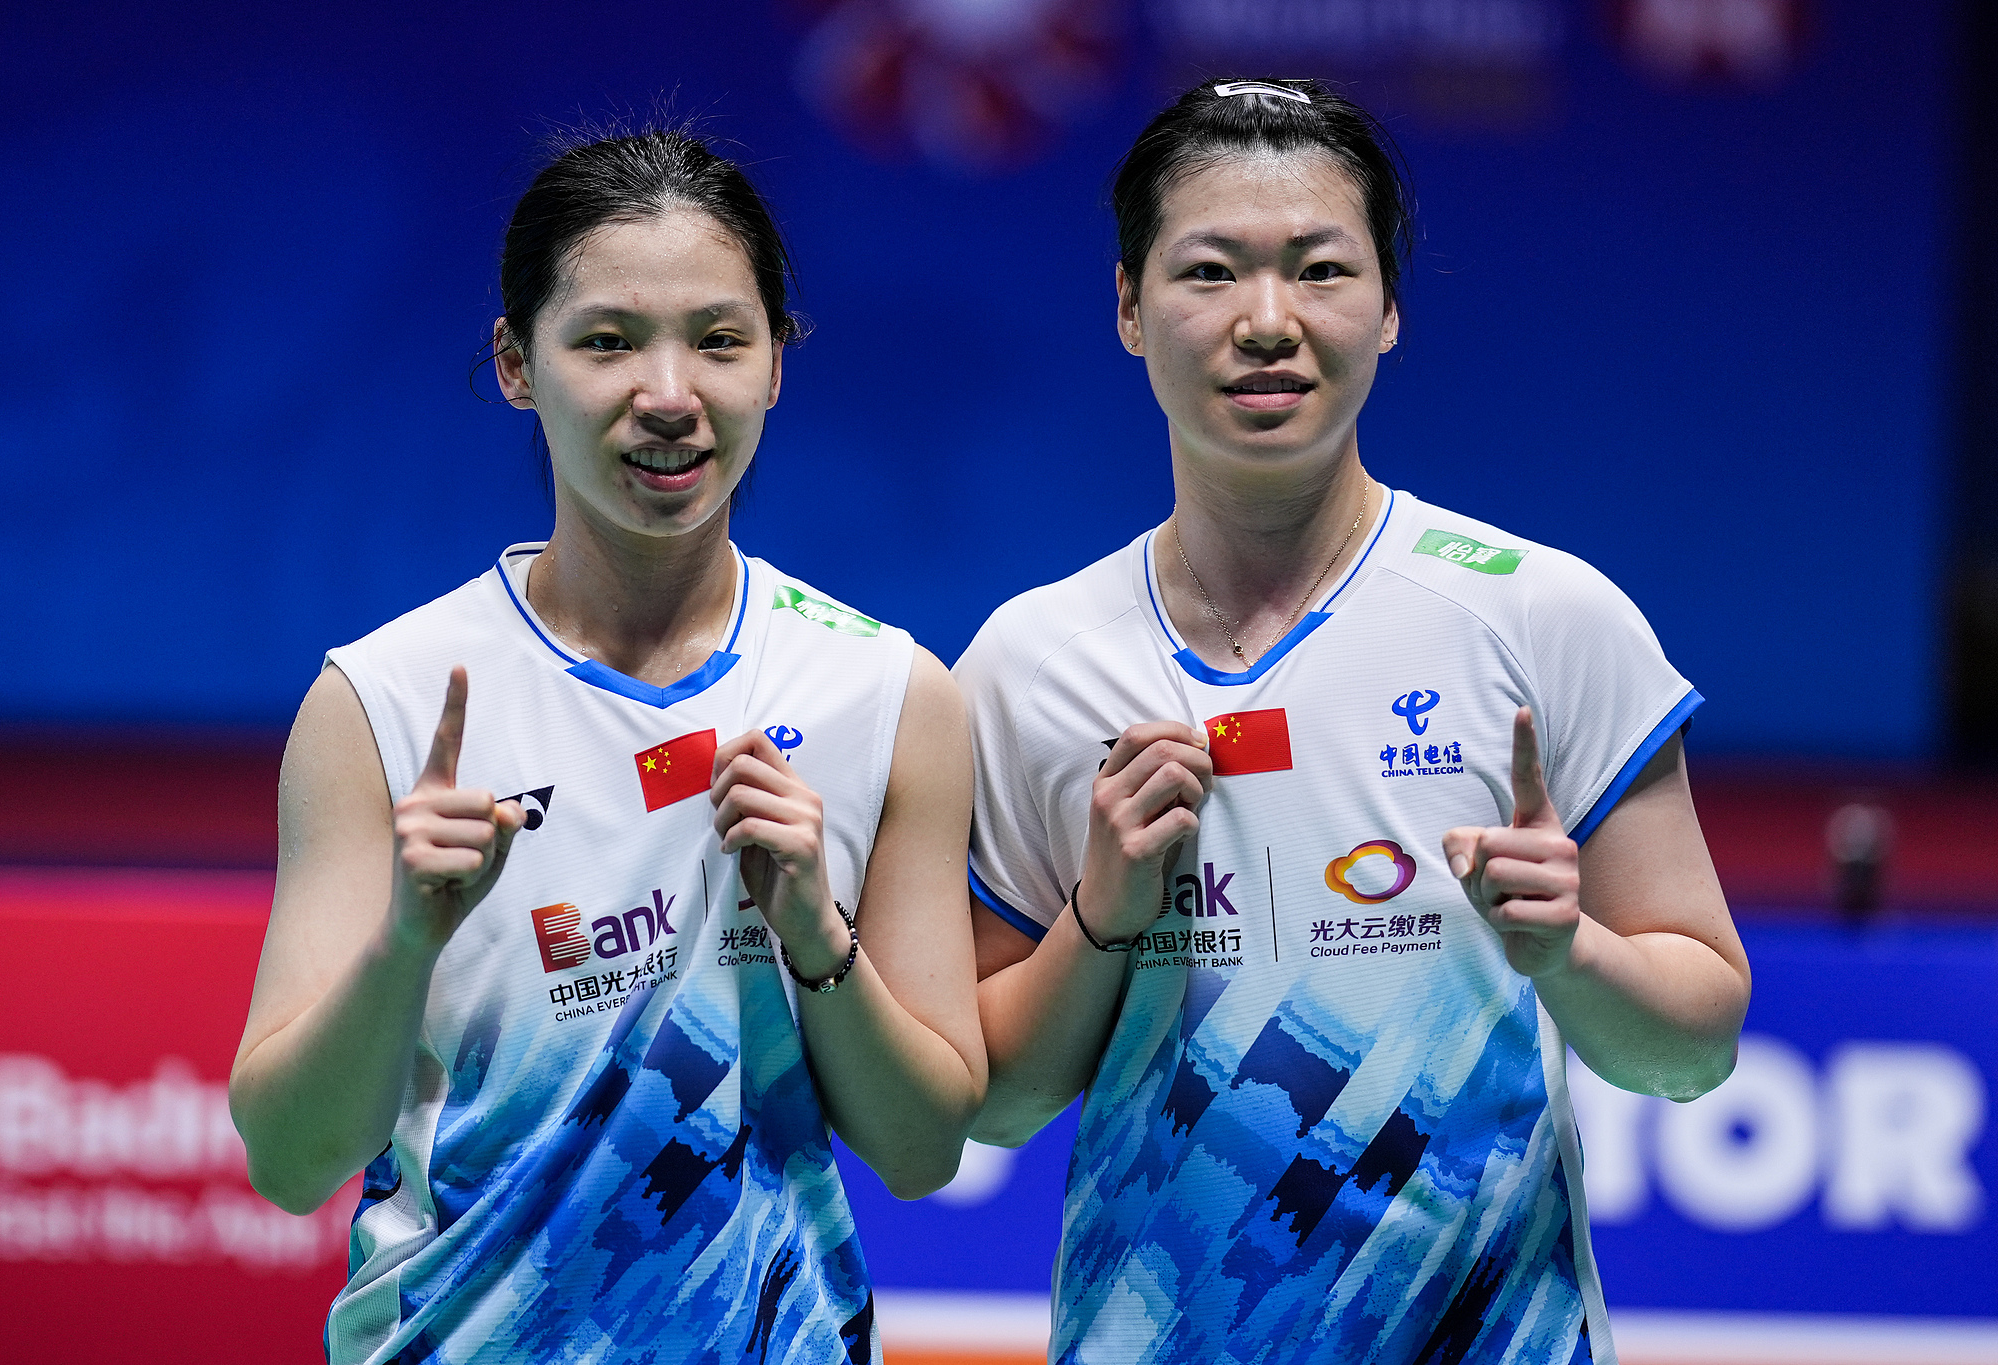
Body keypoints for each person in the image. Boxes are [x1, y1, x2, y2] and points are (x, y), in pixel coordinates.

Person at [956, 79, 1750, 1364]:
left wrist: (1570, 956)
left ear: (1386, 311)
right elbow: (989, 1106)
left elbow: (1692, 1054)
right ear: (1125, 308)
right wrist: (1104, 911)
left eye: (1319, 270)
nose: (1266, 322)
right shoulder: (1027, 663)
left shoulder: (1543, 617)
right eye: (1208, 271)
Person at [229, 125, 985, 1365]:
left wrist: (813, 932)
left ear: (776, 366)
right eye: (607, 341)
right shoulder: (380, 702)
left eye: (720, 339)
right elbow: (291, 1160)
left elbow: (919, 1151)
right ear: (515, 364)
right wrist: (405, 939)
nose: (670, 395)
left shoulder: (888, 692)